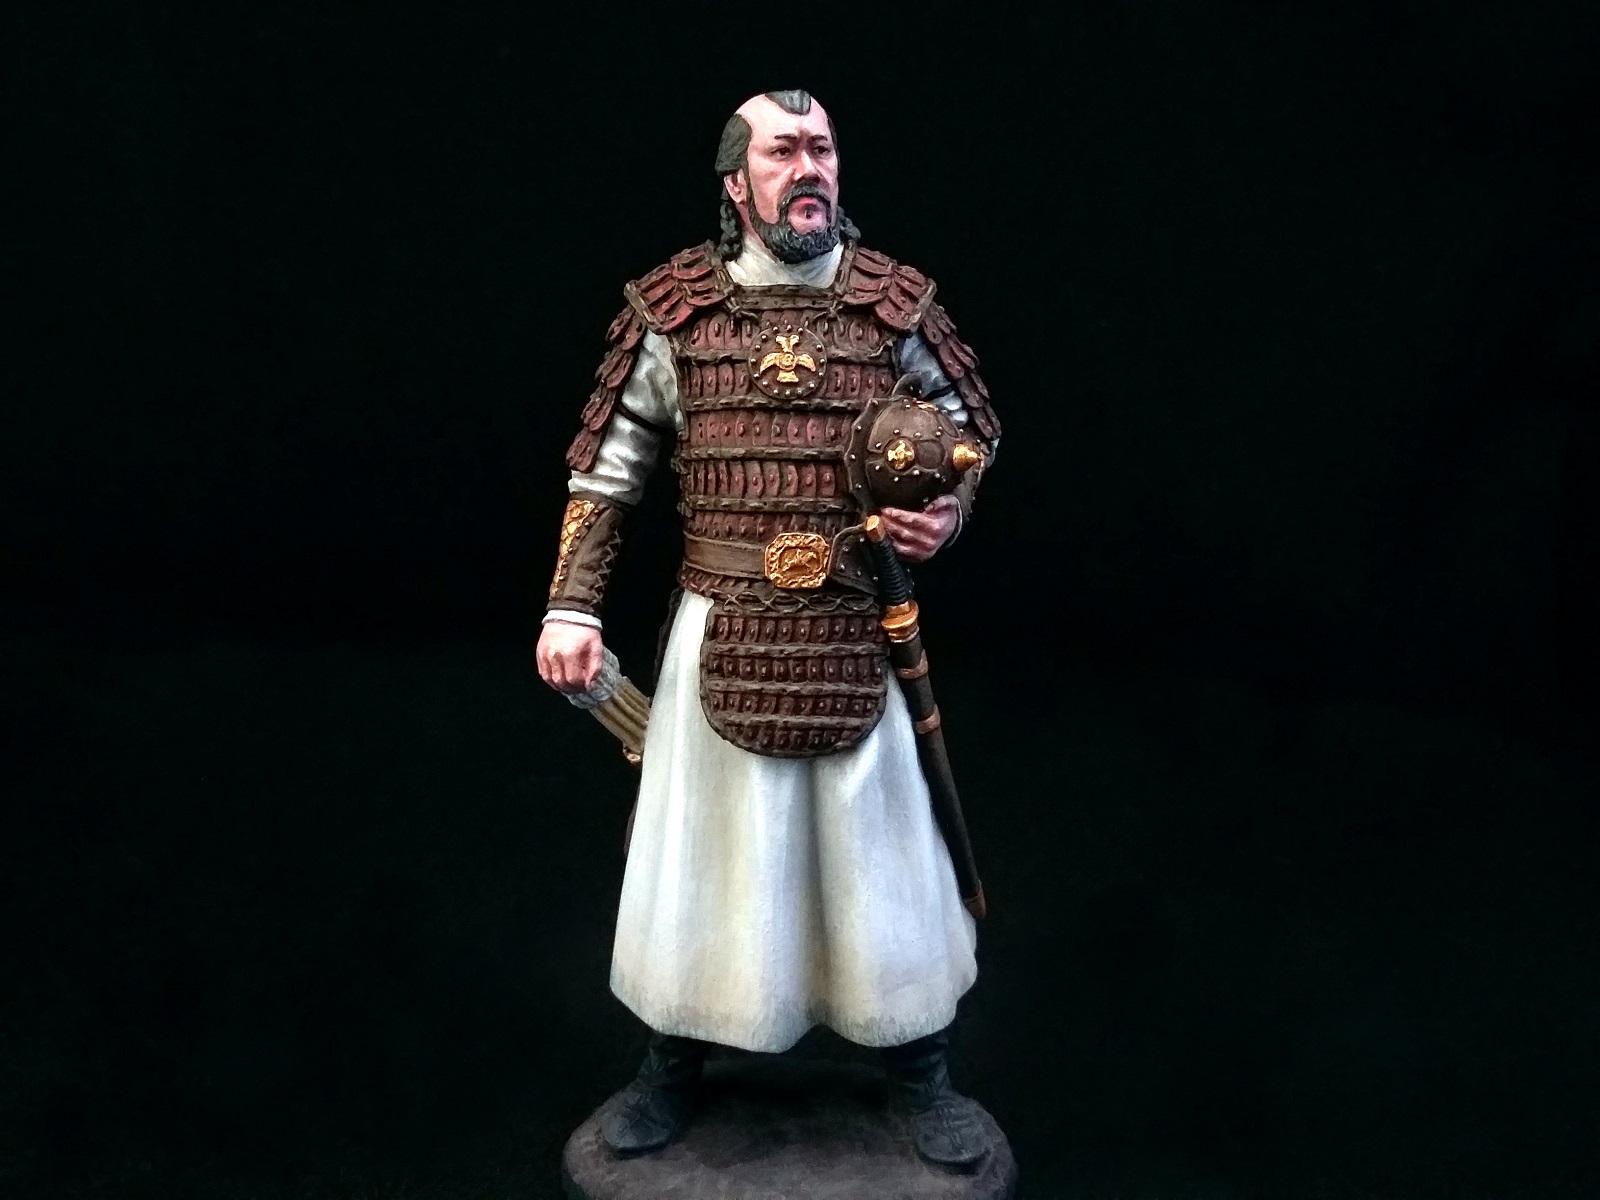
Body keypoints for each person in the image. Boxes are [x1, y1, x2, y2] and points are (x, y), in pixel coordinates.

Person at [536, 89, 1001, 1167]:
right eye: (784, 151)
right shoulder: (675, 311)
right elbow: (606, 473)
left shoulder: (893, 305)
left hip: (855, 623)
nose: (809, 170)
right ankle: (672, 1060)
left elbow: (967, 433)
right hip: (720, 623)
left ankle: (920, 1067)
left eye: (822, 149)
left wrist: (945, 507)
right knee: (703, 857)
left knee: (881, 855)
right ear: (736, 182)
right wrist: (572, 604)